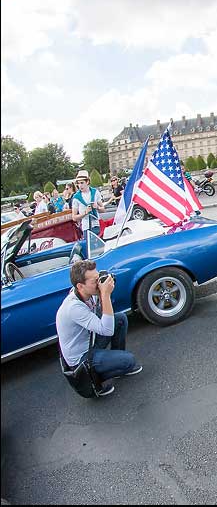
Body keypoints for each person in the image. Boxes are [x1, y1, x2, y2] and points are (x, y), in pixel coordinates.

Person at [56, 260, 142, 397]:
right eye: (94, 281)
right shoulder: (74, 308)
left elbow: (104, 316)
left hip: (90, 341)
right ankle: (94, 380)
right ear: (80, 286)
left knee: (119, 319)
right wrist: (105, 294)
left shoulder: (88, 294)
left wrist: (104, 293)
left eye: (99, 278)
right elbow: (107, 330)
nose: (99, 283)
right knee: (129, 361)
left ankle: (115, 362)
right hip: (82, 359)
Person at [71, 169, 105, 236]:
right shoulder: (76, 197)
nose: (80, 186)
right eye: (78, 183)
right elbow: (74, 217)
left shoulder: (95, 192)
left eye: (82, 183)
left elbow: (103, 210)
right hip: (86, 227)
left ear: (87, 182)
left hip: (97, 225)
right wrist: (85, 213)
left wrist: (97, 207)